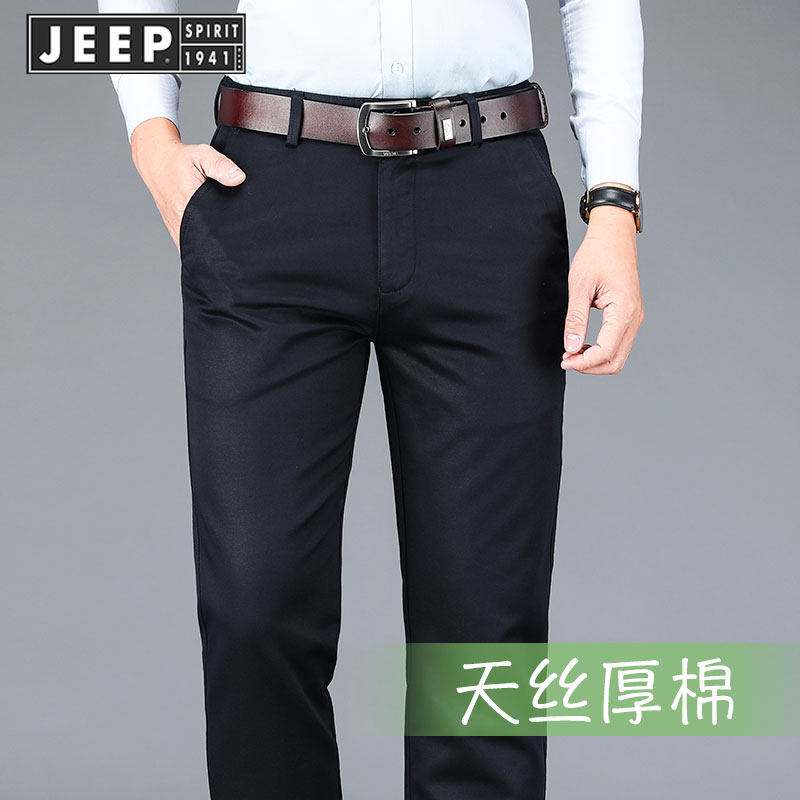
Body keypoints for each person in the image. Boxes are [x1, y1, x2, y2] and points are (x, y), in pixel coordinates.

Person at [98, 1, 644, 797]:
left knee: (484, 636)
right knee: (253, 607)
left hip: (486, 197)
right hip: (270, 189)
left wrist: (615, 201)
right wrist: (149, 131)